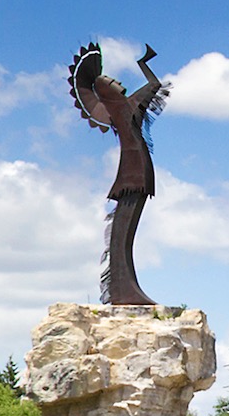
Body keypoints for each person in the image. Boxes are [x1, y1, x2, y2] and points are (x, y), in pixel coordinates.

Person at [69, 42, 167, 306]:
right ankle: (122, 291)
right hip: (131, 174)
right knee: (121, 235)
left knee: (124, 233)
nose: (116, 80)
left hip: (138, 170)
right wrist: (143, 65)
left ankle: (125, 289)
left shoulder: (126, 107)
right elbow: (153, 88)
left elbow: (153, 87)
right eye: (109, 80)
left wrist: (144, 65)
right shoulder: (119, 110)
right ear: (104, 92)